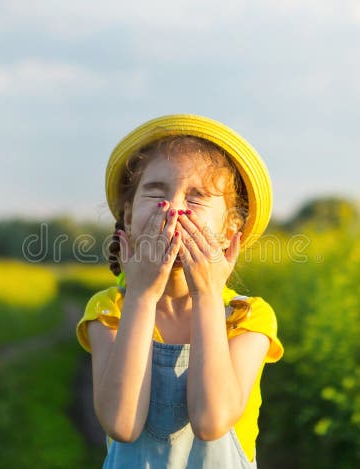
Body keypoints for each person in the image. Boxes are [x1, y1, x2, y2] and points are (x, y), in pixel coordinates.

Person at [76, 114, 284, 468]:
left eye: (198, 196)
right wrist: (141, 296)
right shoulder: (110, 309)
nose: (173, 207)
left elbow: (211, 422)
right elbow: (122, 424)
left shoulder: (247, 317)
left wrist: (206, 294)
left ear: (229, 228)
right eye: (156, 191)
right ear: (127, 216)